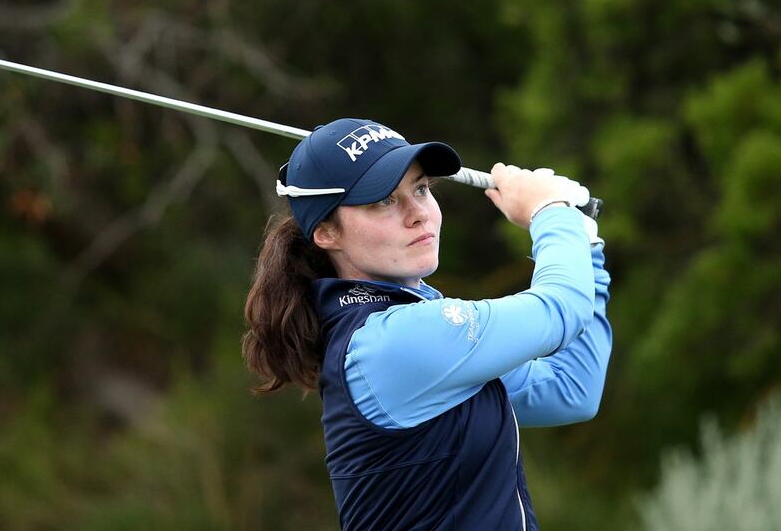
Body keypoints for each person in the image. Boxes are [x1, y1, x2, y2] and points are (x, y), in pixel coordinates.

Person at [242, 118, 612, 530]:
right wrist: (550, 214)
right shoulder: (391, 342)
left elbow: (571, 389)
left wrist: (586, 244)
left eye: (420, 189)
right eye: (383, 201)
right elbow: (560, 308)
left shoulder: (407, 337)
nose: (418, 214)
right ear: (327, 233)